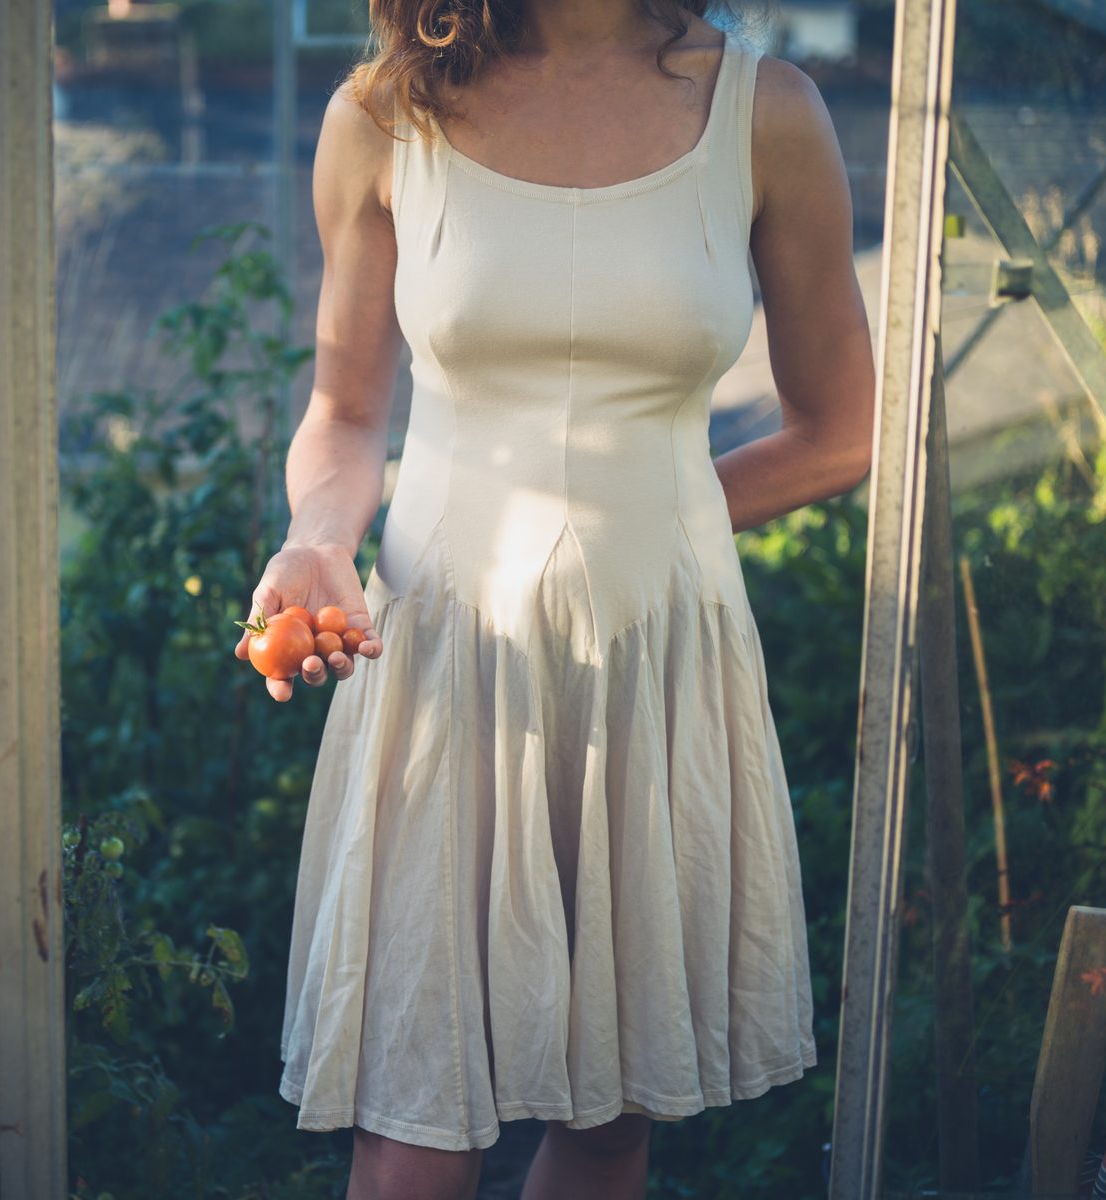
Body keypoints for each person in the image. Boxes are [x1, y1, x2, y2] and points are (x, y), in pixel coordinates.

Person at [232, 0, 875, 1193]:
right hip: (441, 654)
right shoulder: (382, 115)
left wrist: (659, 516)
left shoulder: (765, 112)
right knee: (411, 1120)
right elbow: (348, 407)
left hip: (655, 656)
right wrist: (318, 537)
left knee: (608, 1118)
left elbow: (837, 433)